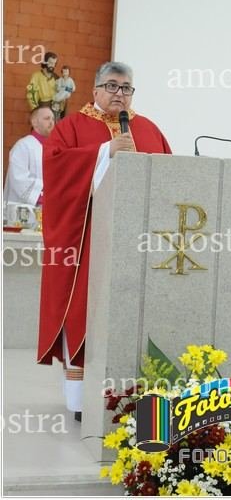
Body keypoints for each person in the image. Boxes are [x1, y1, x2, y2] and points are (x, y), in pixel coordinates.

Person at [37, 61, 172, 418]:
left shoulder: (149, 129)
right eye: (111, 86)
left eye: (126, 88)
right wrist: (104, 152)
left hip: (136, 243)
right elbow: (56, 169)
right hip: (87, 243)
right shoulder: (71, 127)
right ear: (95, 89)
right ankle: (81, 400)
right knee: (84, 310)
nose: (119, 94)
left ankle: (134, 394)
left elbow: (168, 178)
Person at [3, 106, 55, 207]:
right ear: (34, 122)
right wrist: (45, 198)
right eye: (47, 118)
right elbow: (19, 179)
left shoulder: (54, 149)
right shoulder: (23, 146)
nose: (51, 122)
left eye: (53, 119)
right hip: (24, 208)